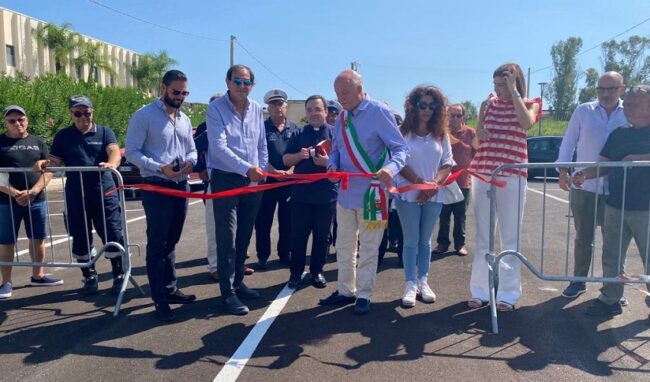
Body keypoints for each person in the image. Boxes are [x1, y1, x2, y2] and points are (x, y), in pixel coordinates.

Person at [320, 70, 409, 315]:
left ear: (360, 89)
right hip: (346, 193)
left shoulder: (379, 112)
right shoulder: (341, 119)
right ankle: (345, 290)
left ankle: (364, 294)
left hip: (373, 195)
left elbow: (401, 149)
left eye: (345, 93)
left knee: (369, 247)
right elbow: (336, 149)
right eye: (338, 94)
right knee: (344, 246)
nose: (341, 98)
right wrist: (332, 165)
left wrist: (391, 169)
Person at [35, 96, 126, 296]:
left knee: (112, 231)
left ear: (92, 112)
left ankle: (118, 275)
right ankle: (89, 275)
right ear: (71, 114)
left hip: (104, 192)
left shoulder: (104, 131)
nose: (83, 117)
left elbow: (114, 152)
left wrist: (112, 163)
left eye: (87, 112)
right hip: (76, 193)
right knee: (80, 234)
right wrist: (45, 164)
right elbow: (55, 161)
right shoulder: (63, 136)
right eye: (78, 113)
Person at [467, 63, 541, 312]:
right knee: (483, 236)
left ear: (515, 83)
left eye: (503, 84)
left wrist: (515, 93)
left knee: (510, 237)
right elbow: (477, 140)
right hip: (484, 174)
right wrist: (481, 133)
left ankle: (508, 295)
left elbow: (526, 124)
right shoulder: (487, 104)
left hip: (512, 176)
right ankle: (480, 290)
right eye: (496, 84)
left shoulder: (530, 103)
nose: (498, 89)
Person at [125, 70, 198, 322]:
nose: (180, 97)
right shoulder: (144, 116)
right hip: (156, 185)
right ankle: (159, 298)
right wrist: (159, 167)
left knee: (172, 240)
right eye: (176, 92)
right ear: (163, 88)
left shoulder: (184, 119)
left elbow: (192, 150)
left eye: (184, 93)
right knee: (158, 242)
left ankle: (171, 288)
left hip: (181, 185)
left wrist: (190, 162)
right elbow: (131, 152)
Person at [572, 84, 650, 316]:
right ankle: (610, 298)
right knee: (612, 255)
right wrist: (585, 173)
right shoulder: (619, 134)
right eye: (627, 103)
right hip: (616, 205)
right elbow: (604, 164)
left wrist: (638, 158)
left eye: (634, 104)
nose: (627, 108)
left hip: (646, 208)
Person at [556, 72, 627, 299]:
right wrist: (563, 171)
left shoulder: (631, 112)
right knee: (583, 238)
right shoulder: (583, 111)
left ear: (621, 89)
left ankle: (614, 288)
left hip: (616, 188)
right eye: (601, 89)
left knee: (614, 243)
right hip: (584, 187)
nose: (606, 94)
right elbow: (568, 142)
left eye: (611, 89)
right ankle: (578, 281)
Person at [206, 64, 267, 316]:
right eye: (237, 81)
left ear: (252, 85)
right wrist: (247, 169)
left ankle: (239, 280)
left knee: (244, 234)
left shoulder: (256, 110)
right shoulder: (216, 109)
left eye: (246, 82)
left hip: (253, 180)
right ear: (228, 82)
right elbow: (218, 147)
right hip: (226, 179)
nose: (242, 86)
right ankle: (227, 292)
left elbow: (262, 144)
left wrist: (261, 170)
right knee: (227, 237)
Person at [393, 86, 453, 307]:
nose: (427, 110)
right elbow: (398, 162)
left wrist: (433, 185)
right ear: (413, 106)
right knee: (410, 240)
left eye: (432, 105)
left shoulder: (441, 134)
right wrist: (419, 183)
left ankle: (423, 281)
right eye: (422, 105)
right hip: (407, 194)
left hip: (433, 195)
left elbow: (447, 162)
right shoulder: (401, 132)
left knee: (426, 241)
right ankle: (410, 283)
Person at [0, 105, 62, 299]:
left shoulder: (38, 142)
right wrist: (15, 193)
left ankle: (38, 275)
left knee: (38, 238)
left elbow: (49, 170)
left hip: (36, 199)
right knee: (6, 242)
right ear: (5, 123)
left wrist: (33, 191)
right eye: (12, 120)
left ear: (27, 120)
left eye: (21, 119)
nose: (17, 123)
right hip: (7, 201)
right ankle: (6, 283)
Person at [194, 94, 255, 282]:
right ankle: (215, 266)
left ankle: (237, 263)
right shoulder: (206, 128)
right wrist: (200, 168)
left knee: (237, 229)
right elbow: (192, 148)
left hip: (240, 181)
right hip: (217, 183)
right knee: (217, 228)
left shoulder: (237, 123)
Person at [283, 95, 337, 289]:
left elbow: (343, 163)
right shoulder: (298, 134)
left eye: (317, 109)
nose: (314, 113)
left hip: (326, 195)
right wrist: (299, 155)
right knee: (298, 235)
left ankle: (317, 271)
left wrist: (327, 163)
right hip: (301, 196)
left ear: (325, 111)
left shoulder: (335, 134)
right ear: (306, 113)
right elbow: (286, 160)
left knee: (322, 236)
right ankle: (296, 273)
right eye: (310, 110)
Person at [254, 88, 299, 269]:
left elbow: (301, 153)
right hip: (267, 182)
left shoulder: (295, 128)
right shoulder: (261, 128)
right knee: (263, 221)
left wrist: (291, 170)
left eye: (280, 104)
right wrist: (272, 171)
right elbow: (257, 154)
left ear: (285, 107)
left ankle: (284, 254)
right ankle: (263, 255)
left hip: (289, 182)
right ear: (268, 108)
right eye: (273, 104)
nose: (277, 107)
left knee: (287, 221)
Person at [433, 103, 476, 256]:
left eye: (459, 115)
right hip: (444, 181)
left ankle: (460, 244)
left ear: (463, 117)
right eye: (452, 115)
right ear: (447, 116)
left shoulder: (471, 133)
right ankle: (442, 243)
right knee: (443, 215)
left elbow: (478, 153)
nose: (456, 118)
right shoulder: (440, 133)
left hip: (463, 181)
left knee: (460, 215)